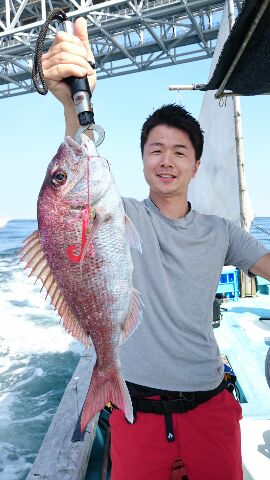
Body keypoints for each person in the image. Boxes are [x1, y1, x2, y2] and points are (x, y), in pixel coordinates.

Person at [42, 17, 270, 480]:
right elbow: (74, 181)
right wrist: (73, 103)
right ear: (142, 158)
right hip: (137, 410)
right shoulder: (117, 214)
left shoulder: (222, 231)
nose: (167, 160)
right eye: (156, 149)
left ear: (196, 164)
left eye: (180, 151)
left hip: (211, 407)